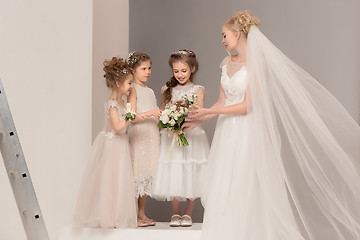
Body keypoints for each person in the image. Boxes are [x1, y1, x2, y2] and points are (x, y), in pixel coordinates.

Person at [184, 10, 360, 240]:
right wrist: (197, 119)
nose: (222, 40)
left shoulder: (258, 64)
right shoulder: (227, 62)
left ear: (238, 34)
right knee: (226, 183)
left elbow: (247, 106)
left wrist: (211, 111)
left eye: (225, 35)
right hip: (226, 132)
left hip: (247, 132)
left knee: (245, 182)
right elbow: (221, 102)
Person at [74, 57, 142, 228]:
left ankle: (117, 217)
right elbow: (119, 127)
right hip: (112, 145)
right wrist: (130, 116)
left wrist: (132, 100)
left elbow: (129, 114)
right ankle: (107, 218)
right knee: (109, 181)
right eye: (128, 83)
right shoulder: (111, 103)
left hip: (120, 145)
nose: (131, 87)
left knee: (120, 181)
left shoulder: (122, 102)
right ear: (118, 83)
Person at [152, 50, 209, 227]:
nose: (180, 75)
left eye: (183, 71)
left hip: (192, 135)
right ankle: (175, 213)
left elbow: (200, 113)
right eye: (176, 71)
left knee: (191, 170)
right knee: (174, 170)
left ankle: (188, 214)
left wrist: (187, 109)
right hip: (172, 136)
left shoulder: (198, 90)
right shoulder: (166, 89)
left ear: (192, 68)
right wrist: (170, 118)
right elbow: (162, 113)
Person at [127, 51, 162, 227]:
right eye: (143, 68)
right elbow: (131, 116)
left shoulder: (150, 91)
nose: (147, 72)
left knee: (146, 175)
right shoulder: (132, 89)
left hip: (151, 134)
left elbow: (155, 112)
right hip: (140, 134)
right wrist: (152, 113)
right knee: (137, 173)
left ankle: (142, 212)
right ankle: (133, 214)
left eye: (149, 68)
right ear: (133, 71)